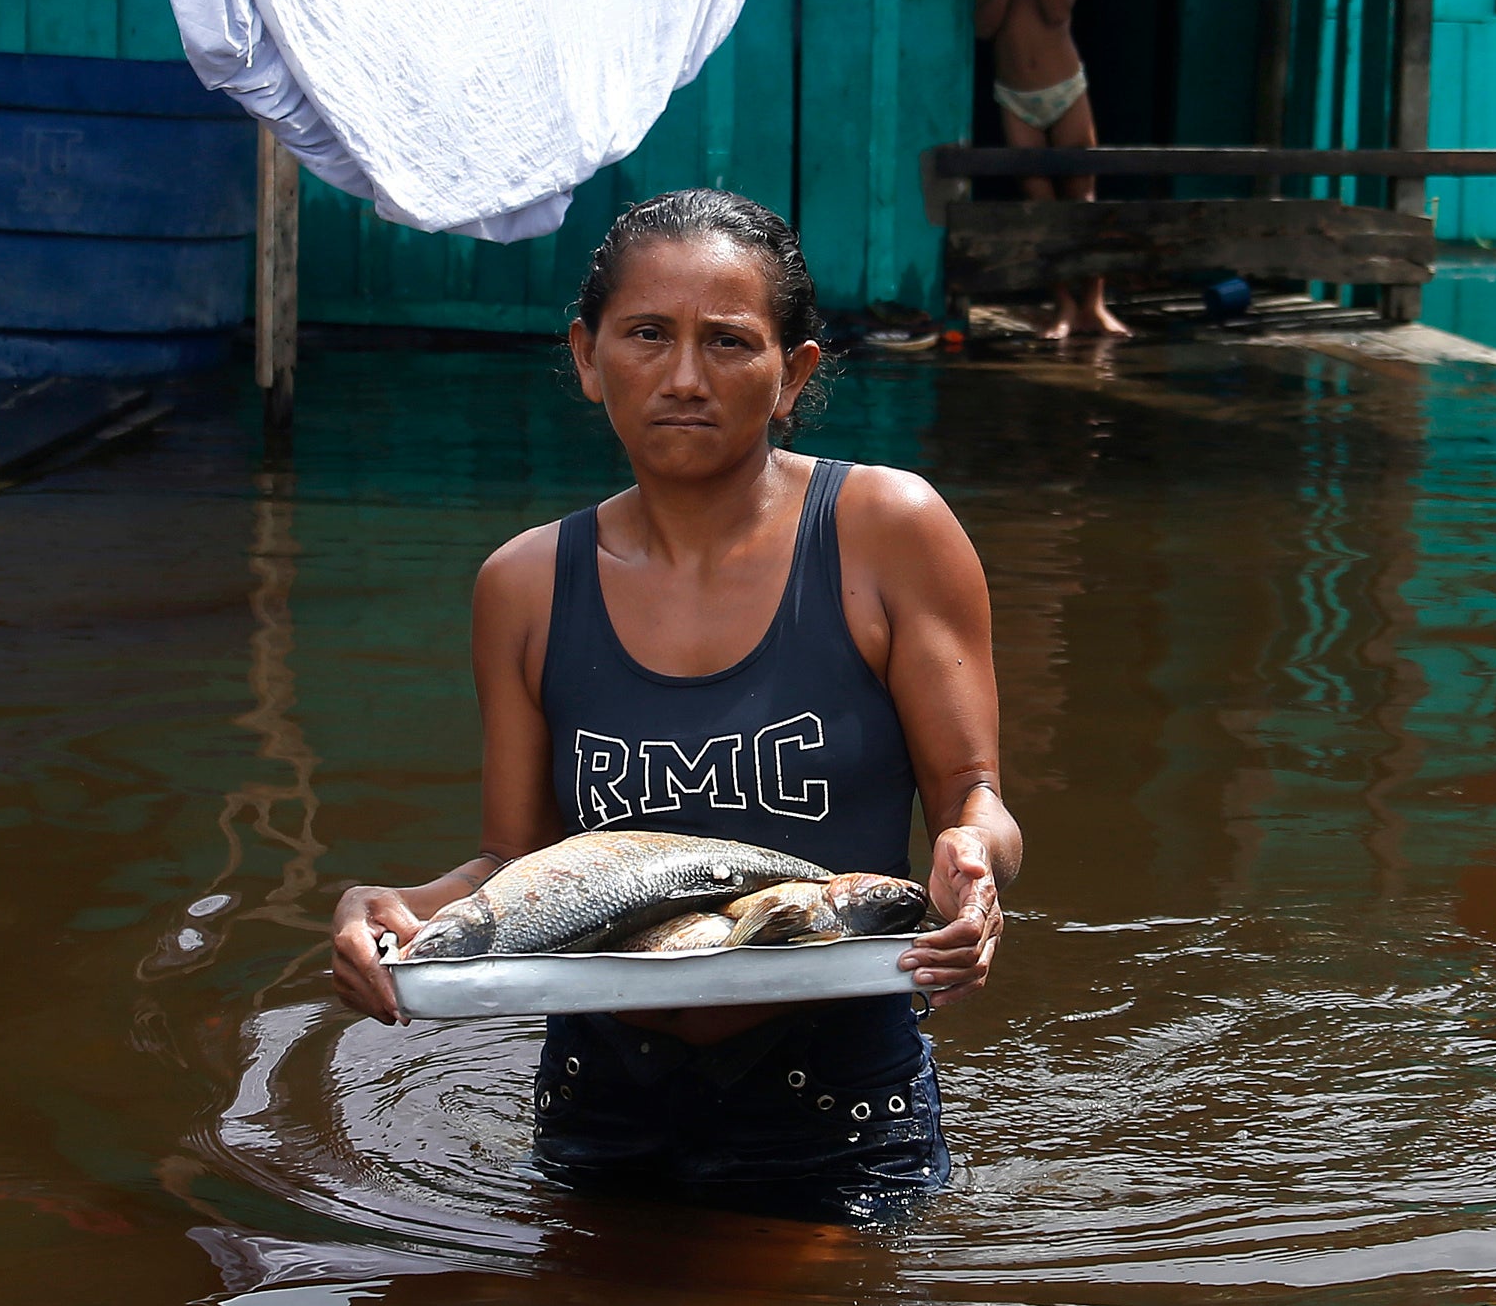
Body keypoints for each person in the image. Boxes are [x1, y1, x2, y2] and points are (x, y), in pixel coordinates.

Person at [327, 189, 1014, 1228]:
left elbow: (976, 792)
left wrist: (971, 859)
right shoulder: (523, 584)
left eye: (729, 341)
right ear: (588, 354)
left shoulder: (886, 530)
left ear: (795, 374)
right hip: (599, 1104)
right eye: (648, 333)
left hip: (836, 1097)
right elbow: (514, 863)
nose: (685, 376)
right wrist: (395, 911)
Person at [974, 0, 1127, 341]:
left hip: (1066, 91)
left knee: (1081, 200)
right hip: (1017, 99)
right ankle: (1061, 306)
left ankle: (1096, 305)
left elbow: (1057, 10)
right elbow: (984, 27)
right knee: (1041, 207)